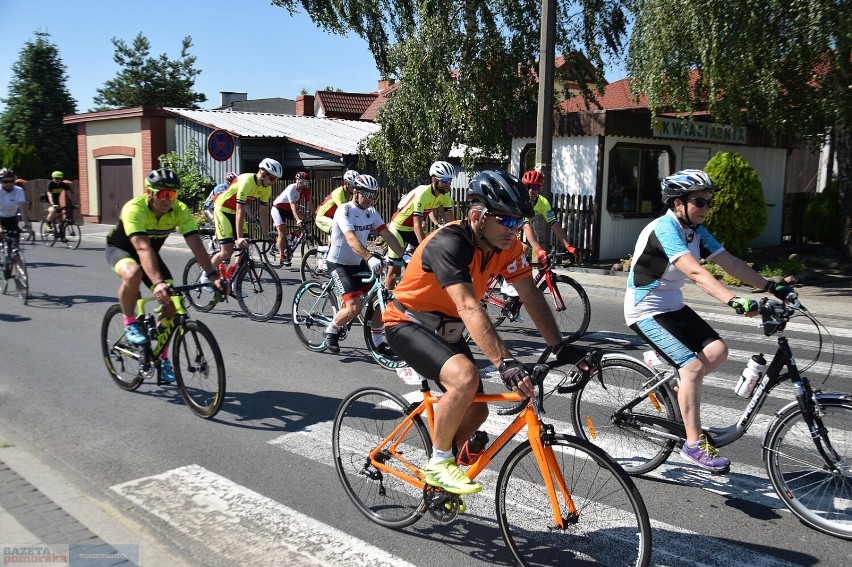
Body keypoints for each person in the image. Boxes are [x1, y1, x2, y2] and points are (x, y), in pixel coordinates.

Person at [383, 170, 599, 495]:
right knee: (465, 378)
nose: (514, 231)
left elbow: (530, 295)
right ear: (477, 215)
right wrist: (505, 362)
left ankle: (440, 462)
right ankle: (439, 463)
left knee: (477, 410)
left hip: (448, 329)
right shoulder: (450, 243)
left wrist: (559, 346)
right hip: (407, 322)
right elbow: (469, 307)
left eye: (518, 223)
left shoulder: (508, 247)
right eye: (506, 221)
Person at [624, 169, 797, 473]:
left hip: (672, 306)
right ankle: (692, 445)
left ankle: (676, 390)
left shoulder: (695, 231)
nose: (706, 207)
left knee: (717, 351)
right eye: (699, 201)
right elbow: (696, 273)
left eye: (708, 202)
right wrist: (733, 300)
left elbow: (729, 262)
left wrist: (771, 286)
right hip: (645, 309)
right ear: (678, 203)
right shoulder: (665, 228)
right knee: (690, 368)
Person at [105, 169, 228, 382]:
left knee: (172, 305)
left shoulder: (179, 210)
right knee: (133, 273)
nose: (166, 200)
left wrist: (212, 275)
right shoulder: (134, 209)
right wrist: (158, 283)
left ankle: (161, 360)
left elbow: (195, 243)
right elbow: (142, 250)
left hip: (150, 255)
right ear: (149, 193)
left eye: (171, 195)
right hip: (123, 250)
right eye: (161, 194)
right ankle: (130, 322)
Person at [323, 174, 407, 354]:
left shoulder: (371, 212)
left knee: (379, 299)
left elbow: (387, 235)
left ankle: (377, 340)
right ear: (355, 192)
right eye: (366, 194)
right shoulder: (344, 210)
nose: (370, 199)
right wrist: (370, 257)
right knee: (354, 307)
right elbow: (351, 240)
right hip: (339, 264)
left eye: (373, 195)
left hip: (358, 261)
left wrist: (404, 255)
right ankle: (332, 329)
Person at [499, 169, 580, 321]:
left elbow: (554, 224)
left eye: (535, 187)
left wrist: (568, 246)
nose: (531, 190)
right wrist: (538, 249)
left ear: (540, 188)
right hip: (505, 226)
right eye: (528, 186)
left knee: (524, 260)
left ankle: (513, 301)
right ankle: (506, 283)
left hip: (516, 228)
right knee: (523, 248)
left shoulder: (543, 202)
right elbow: (526, 225)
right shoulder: (520, 200)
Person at [384, 160, 456, 289]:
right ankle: (385, 304)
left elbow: (450, 223)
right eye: (445, 180)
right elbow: (418, 226)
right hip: (398, 229)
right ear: (434, 180)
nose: (448, 184)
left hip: (412, 230)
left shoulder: (445, 194)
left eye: (450, 180)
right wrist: (425, 249)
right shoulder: (422, 193)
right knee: (394, 272)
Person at [207, 158, 280, 278]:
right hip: (222, 209)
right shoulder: (246, 180)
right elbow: (240, 210)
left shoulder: (267, 188)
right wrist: (239, 238)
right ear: (262, 173)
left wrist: (266, 234)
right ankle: (207, 274)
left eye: (276, 179)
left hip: (235, 211)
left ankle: (232, 278)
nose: (273, 182)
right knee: (227, 251)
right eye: (272, 178)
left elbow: (263, 212)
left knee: (244, 249)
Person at [272, 171, 314, 266]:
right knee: (282, 231)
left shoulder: (306, 190)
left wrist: (314, 215)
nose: (303, 185)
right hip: (278, 209)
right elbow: (293, 206)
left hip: (289, 209)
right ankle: (282, 257)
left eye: (305, 183)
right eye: (301, 182)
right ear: (297, 181)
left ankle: (292, 235)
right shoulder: (291, 188)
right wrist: (298, 220)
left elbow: (310, 203)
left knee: (305, 218)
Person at [0, 169, 27, 276]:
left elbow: (22, 208)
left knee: (15, 242)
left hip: (12, 218)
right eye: (5, 181)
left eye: (11, 181)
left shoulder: (19, 190)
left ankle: (15, 264)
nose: (8, 184)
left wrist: (27, 225)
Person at [314, 169, 358, 234]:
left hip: (332, 218)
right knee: (338, 231)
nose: (356, 188)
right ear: (346, 183)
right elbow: (346, 212)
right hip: (322, 218)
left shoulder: (350, 194)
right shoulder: (338, 193)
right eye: (354, 185)